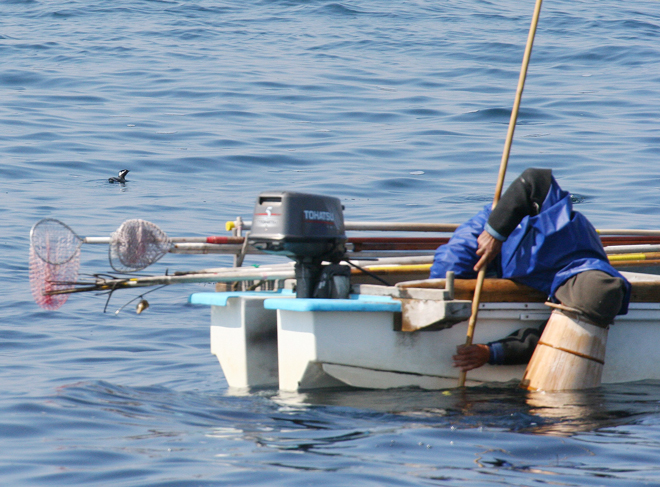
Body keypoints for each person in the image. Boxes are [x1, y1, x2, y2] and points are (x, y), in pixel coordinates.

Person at [428, 168, 631, 372]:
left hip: (548, 272)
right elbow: (535, 179)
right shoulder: (555, 221)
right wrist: (494, 233)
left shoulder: (590, 294)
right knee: (448, 271)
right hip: (500, 230)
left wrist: (493, 352)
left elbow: (553, 337)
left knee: (596, 298)